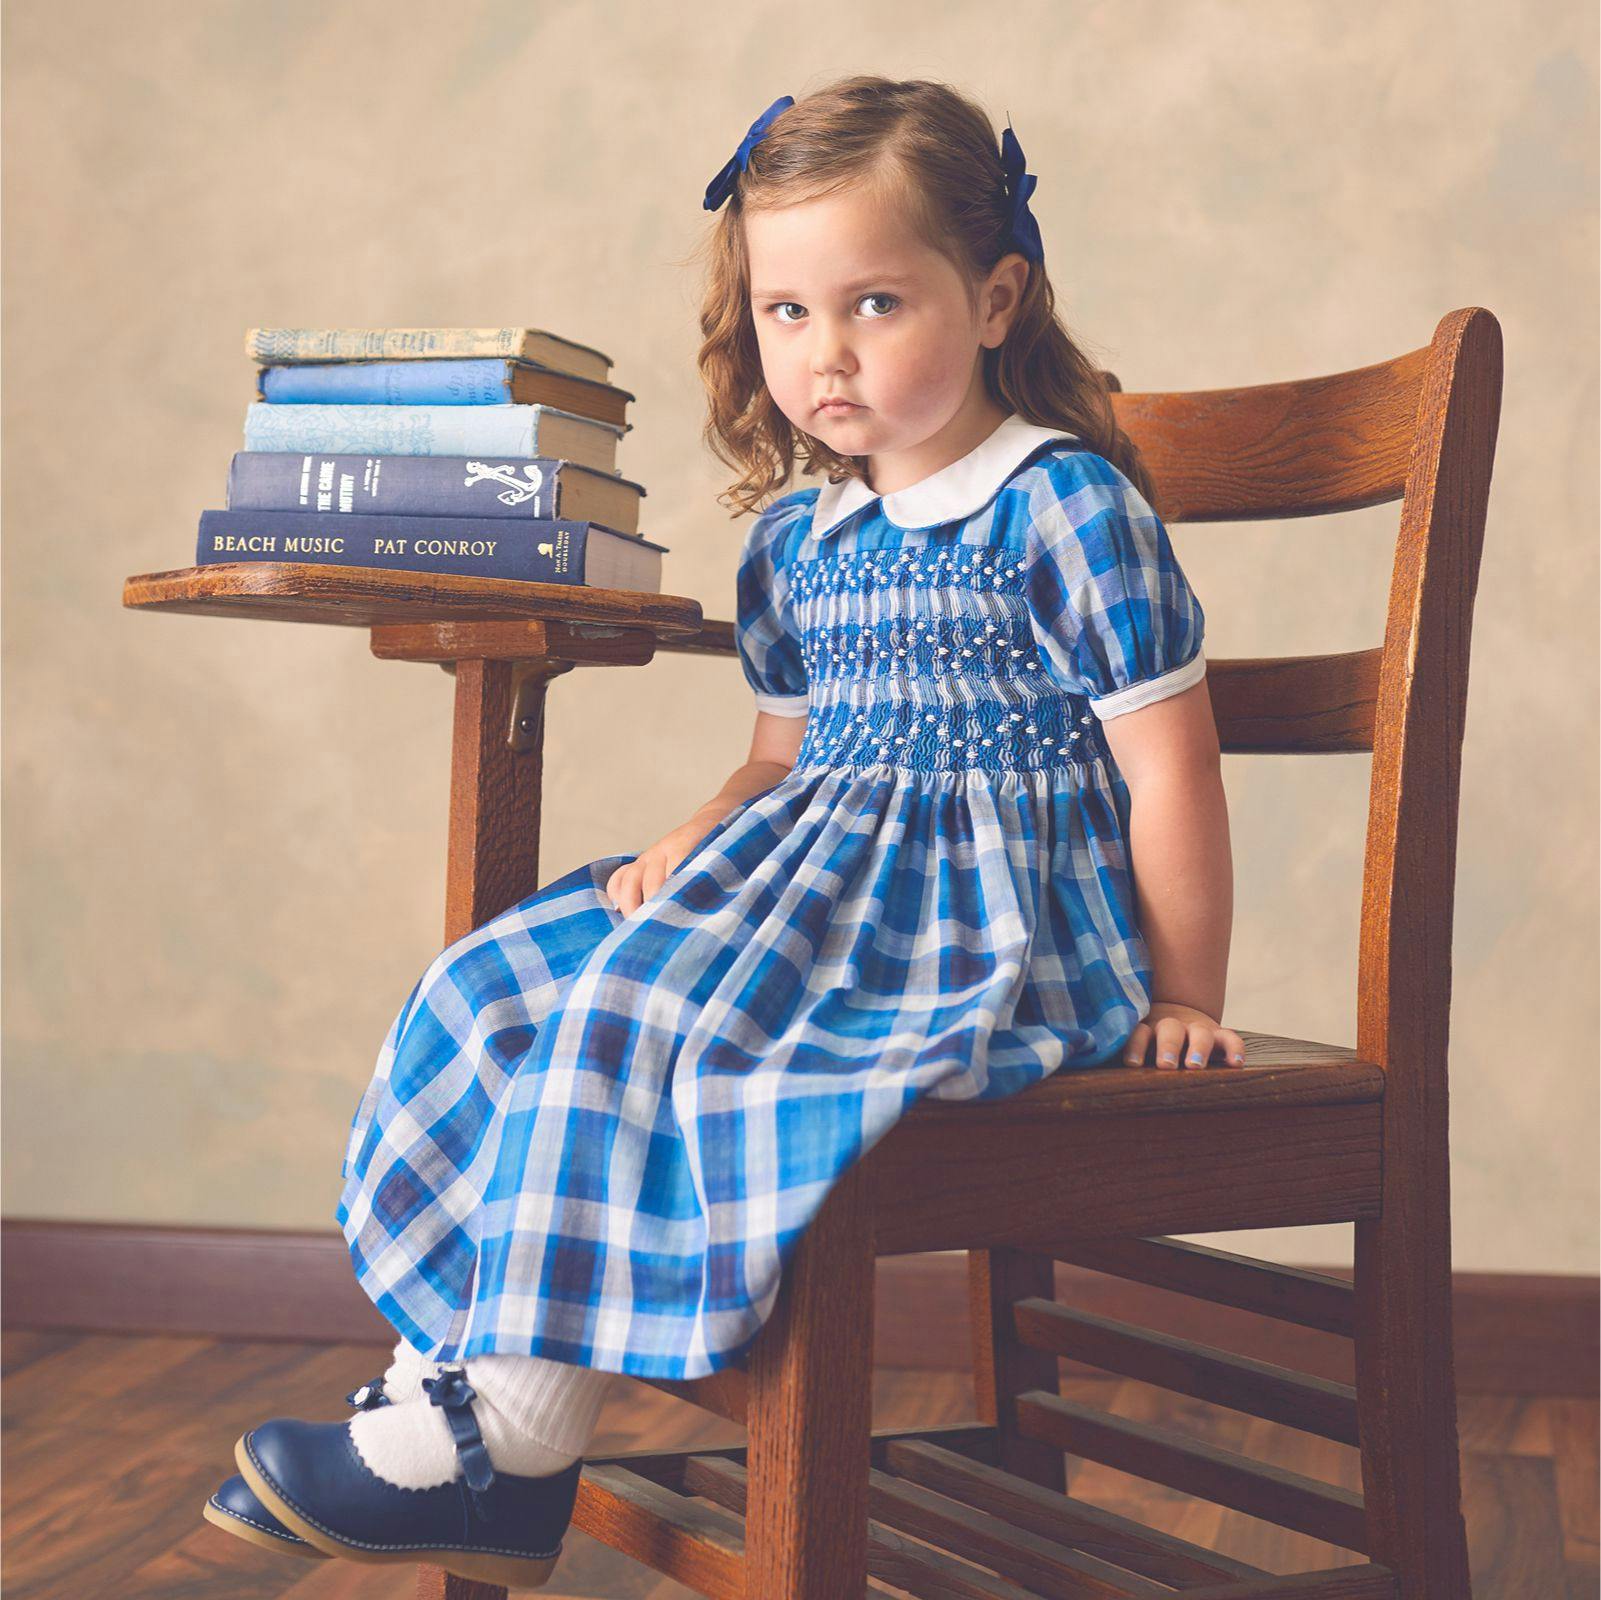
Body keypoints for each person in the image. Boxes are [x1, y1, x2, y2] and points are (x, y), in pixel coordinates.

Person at [206, 74, 1245, 1590]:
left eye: (876, 302)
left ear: (996, 294)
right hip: (816, 888)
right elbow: (781, 757)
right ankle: (456, 1389)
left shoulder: (1061, 508)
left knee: (642, 1007)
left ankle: (509, 1438)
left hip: (987, 934)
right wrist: (694, 839)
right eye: (787, 313)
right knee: (502, 983)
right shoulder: (798, 544)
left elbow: (1172, 772)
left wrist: (1186, 993)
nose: (825, 355)